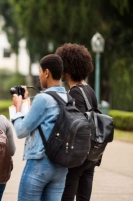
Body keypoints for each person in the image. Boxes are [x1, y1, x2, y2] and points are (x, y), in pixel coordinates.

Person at [12, 54, 68, 201]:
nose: (39, 77)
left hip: (40, 163)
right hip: (61, 166)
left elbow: (21, 131)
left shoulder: (43, 99)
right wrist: (27, 102)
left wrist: (18, 108)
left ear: (47, 72)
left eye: (39, 72)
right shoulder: (69, 98)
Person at [55, 43, 98, 201]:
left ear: (67, 69)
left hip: (78, 156)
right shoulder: (89, 90)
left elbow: (76, 125)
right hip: (91, 154)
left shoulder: (74, 93)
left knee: (66, 196)